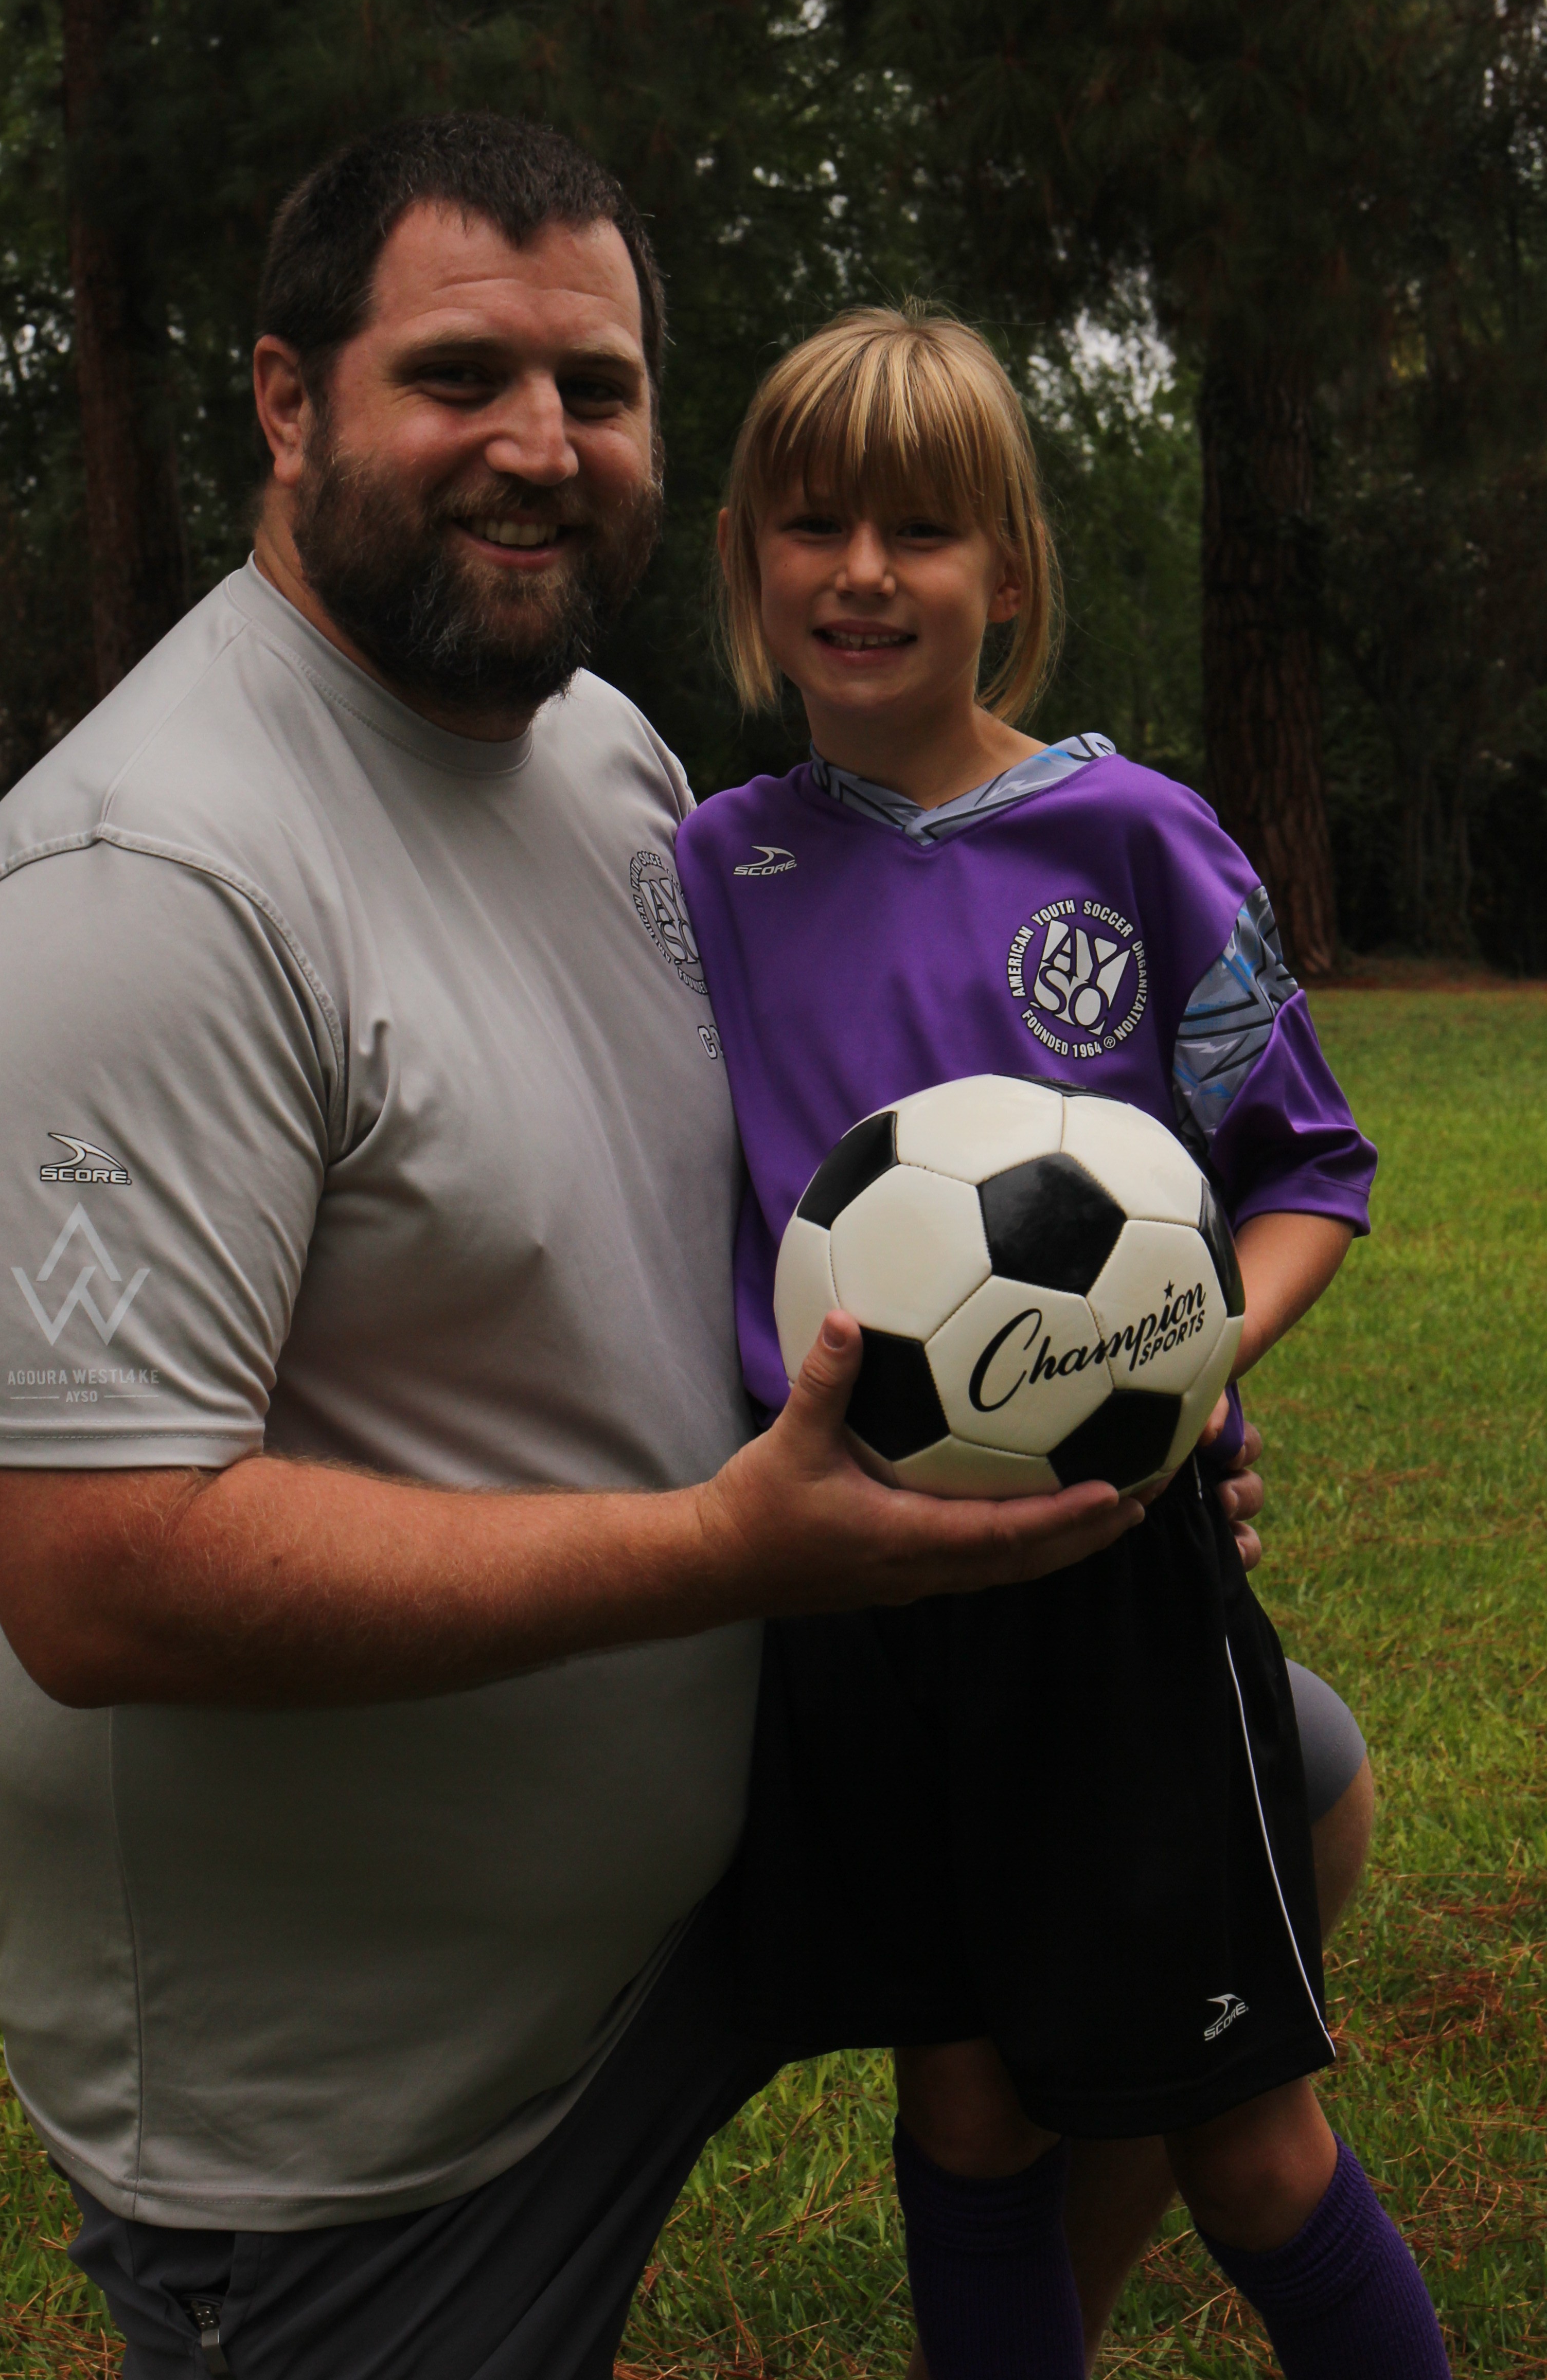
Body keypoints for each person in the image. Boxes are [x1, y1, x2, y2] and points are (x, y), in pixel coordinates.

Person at [0, 114, 1339, 2379]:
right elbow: (100, 1576)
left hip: (741, 1814)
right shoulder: (141, 887)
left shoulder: (599, 759)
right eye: (457, 376)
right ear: (286, 402)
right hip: (399, 2096)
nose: (539, 445)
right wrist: (730, 1552)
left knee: (1296, 1775)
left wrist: (1110, 1386)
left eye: (597, 386)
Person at [674, 305, 1445, 2378]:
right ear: (744, 560)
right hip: (851, 1597)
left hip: (1112, 1590)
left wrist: (1185, 1373)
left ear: (1008, 571)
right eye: (814, 526)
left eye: (920, 531)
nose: (863, 574)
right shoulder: (717, 868)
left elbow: (1311, 1167)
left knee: (1252, 2154)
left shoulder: (1133, 839)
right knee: (968, 2115)